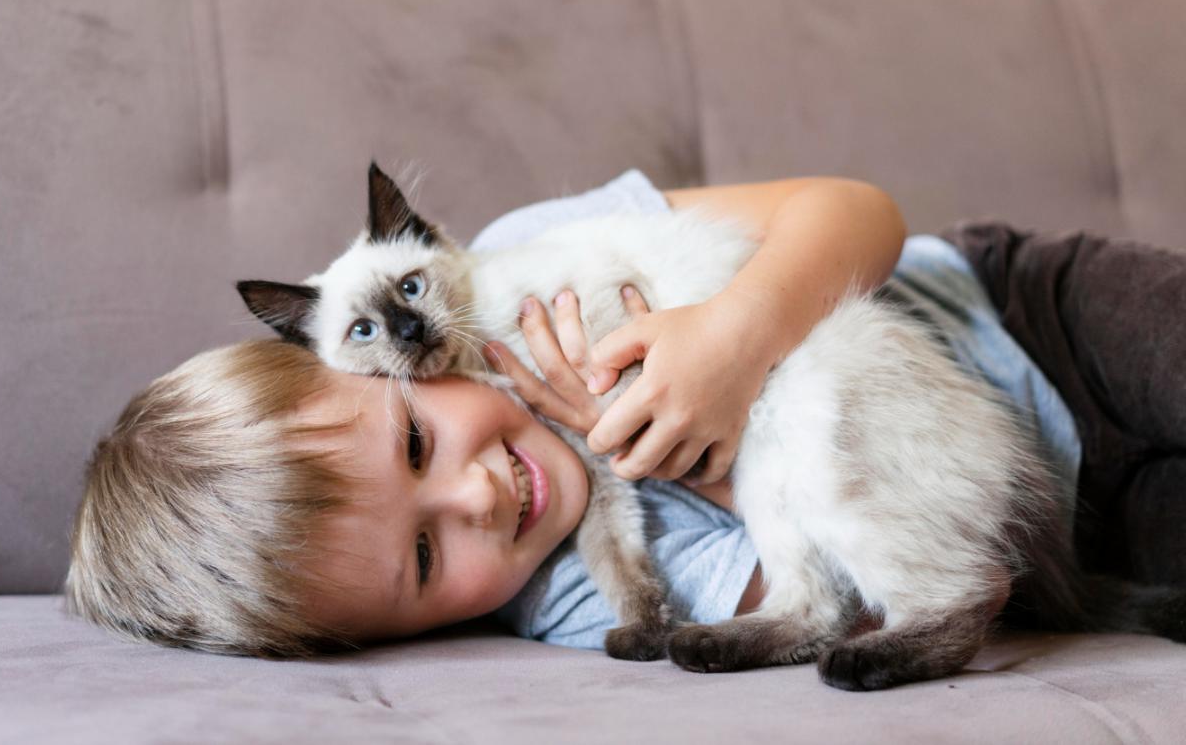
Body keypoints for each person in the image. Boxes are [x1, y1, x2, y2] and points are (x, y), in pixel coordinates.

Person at [64, 171, 1185, 657]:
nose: (477, 494)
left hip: (1023, 309)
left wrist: (737, 337)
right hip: (1053, 515)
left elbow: (855, 211)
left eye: (414, 440)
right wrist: (686, 447)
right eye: (424, 556)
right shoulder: (574, 591)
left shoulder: (522, 249)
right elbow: (833, 593)